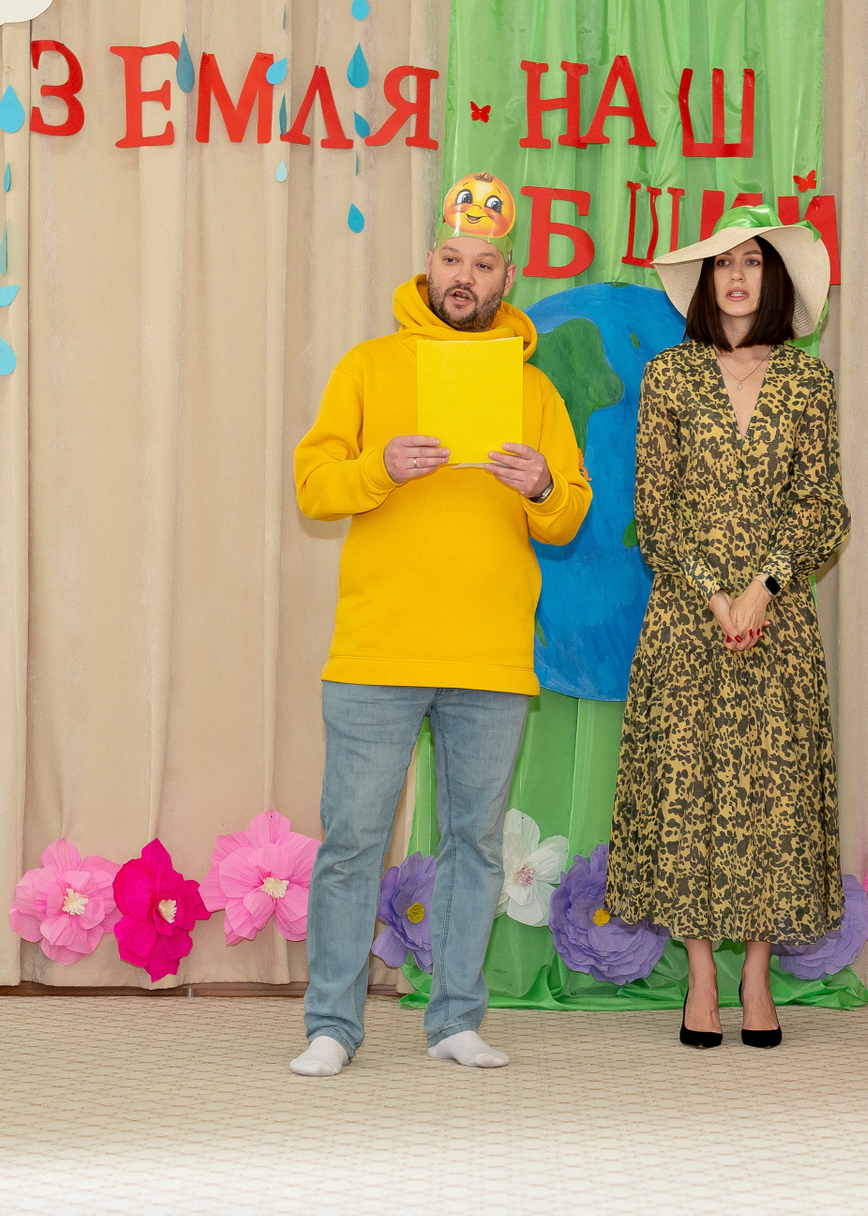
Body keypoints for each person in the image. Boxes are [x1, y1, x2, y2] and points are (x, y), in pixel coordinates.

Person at [288, 172, 591, 1077]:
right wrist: (378, 467)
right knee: (352, 840)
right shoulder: (369, 366)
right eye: (453, 259)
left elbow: (569, 515)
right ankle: (331, 1026)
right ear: (429, 263)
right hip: (378, 649)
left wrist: (542, 485)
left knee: (474, 844)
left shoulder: (535, 390)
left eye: (484, 264)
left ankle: (455, 1018)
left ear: (508, 277)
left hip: (490, 656)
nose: (466, 276)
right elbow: (314, 486)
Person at [604, 206, 849, 1050]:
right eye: (722, 264)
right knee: (688, 793)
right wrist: (716, 594)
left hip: (778, 619)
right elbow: (655, 506)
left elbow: (824, 507)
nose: (738, 276)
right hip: (686, 615)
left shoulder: (808, 381)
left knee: (774, 796)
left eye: (752, 261)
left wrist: (764, 587)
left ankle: (757, 975)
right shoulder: (669, 376)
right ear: (705, 283)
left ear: (773, 278)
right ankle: (702, 976)